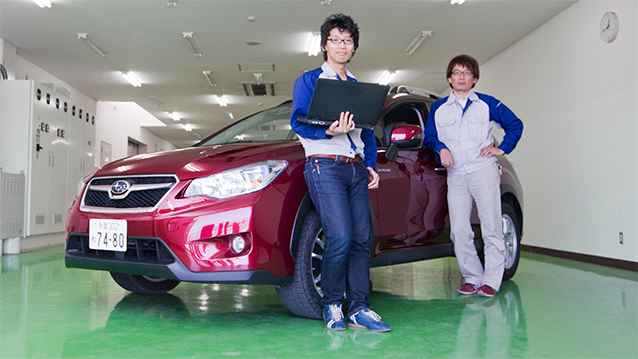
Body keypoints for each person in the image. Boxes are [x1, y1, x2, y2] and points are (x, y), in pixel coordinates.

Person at [290, 13, 390, 332]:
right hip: (325, 166)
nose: (342, 45)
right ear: (324, 45)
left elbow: (368, 131)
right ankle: (332, 305)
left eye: (347, 40)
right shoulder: (309, 81)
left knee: (362, 239)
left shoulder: (359, 87)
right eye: (335, 39)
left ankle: (359, 307)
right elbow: (298, 122)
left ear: (354, 47)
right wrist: (329, 131)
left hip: (355, 169)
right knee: (340, 237)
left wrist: (370, 164)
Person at [424, 54, 523, 298]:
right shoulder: (438, 108)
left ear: (474, 79)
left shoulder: (487, 104)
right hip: (456, 174)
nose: (462, 77)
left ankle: (492, 280)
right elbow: (429, 137)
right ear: (449, 78)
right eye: (457, 72)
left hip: (483, 171)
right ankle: (472, 277)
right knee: (459, 230)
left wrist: (501, 149)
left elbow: (515, 125)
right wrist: (441, 148)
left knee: (491, 227)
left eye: (467, 73)